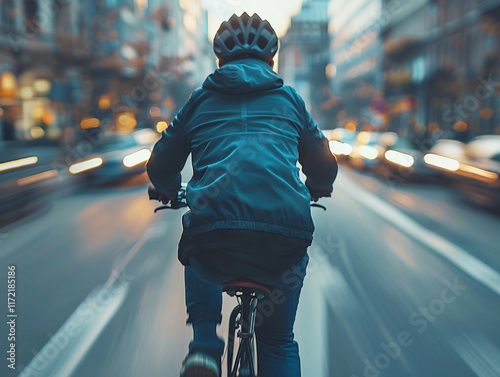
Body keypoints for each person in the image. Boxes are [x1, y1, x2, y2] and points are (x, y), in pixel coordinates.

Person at [146, 12, 338, 377]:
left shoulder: (200, 100)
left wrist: (169, 190)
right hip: (284, 237)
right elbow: (324, 166)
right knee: (278, 341)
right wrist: (316, 188)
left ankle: (204, 348)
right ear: (272, 60)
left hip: (216, 237)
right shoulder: (290, 100)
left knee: (199, 231)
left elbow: (160, 164)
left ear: (219, 60)